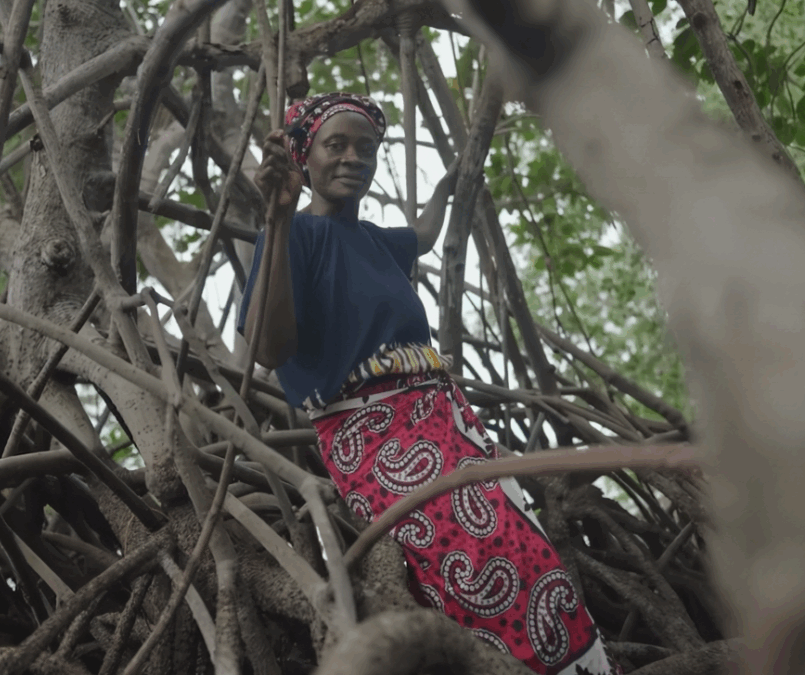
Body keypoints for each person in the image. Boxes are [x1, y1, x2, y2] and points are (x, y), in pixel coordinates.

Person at [239, 92, 618, 675]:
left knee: (524, 545)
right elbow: (268, 348)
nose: (353, 158)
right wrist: (279, 216)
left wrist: (451, 185)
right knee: (459, 552)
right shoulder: (294, 234)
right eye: (335, 145)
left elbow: (422, 233)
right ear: (302, 156)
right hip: (372, 437)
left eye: (366, 148)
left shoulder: (375, 241)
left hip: (446, 421)